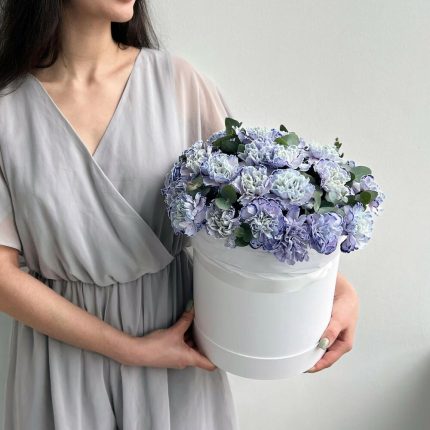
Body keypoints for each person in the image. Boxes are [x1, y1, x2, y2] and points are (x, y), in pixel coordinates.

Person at [0, 0, 359, 429]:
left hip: (176, 348)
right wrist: (129, 349)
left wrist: (336, 289)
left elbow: (250, 213)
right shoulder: (8, 111)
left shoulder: (178, 84)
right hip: (60, 358)